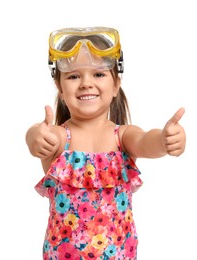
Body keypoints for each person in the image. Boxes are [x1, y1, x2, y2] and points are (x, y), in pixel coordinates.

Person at [25, 27, 186, 260]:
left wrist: (163, 140)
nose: (86, 83)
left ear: (116, 84)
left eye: (98, 74)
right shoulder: (59, 138)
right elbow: (36, 135)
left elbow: (144, 141)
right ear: (60, 88)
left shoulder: (122, 137)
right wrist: (34, 137)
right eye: (73, 76)